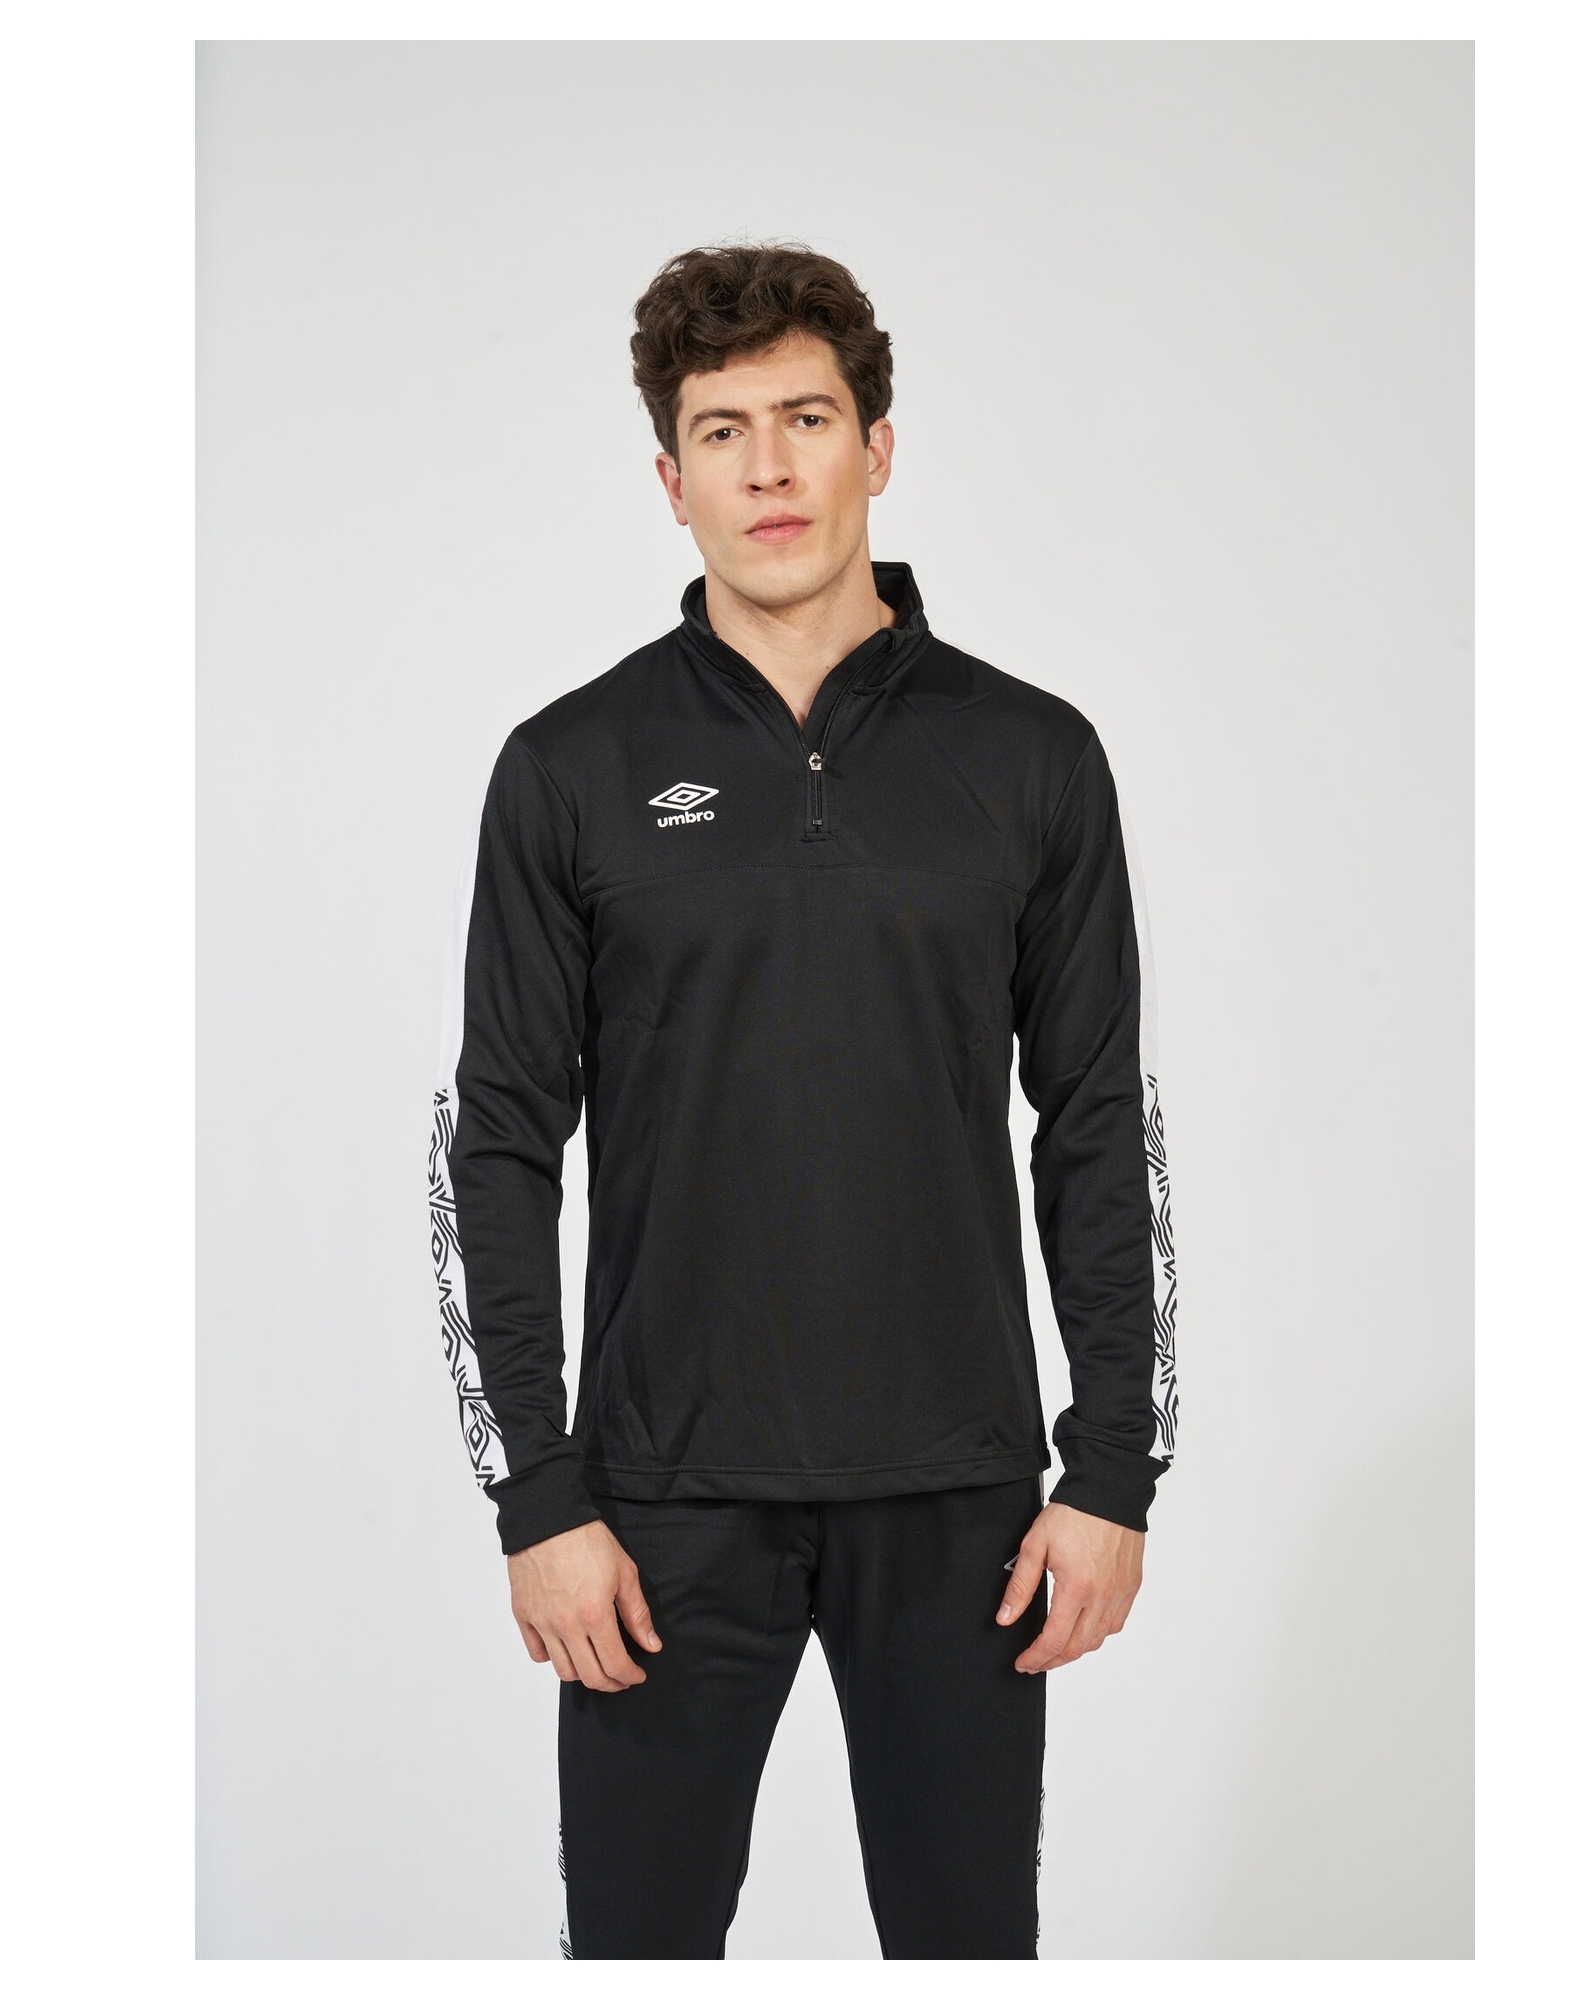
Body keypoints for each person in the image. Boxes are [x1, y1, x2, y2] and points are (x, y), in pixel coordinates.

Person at [427, 242, 1178, 1961]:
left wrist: (1113, 1470)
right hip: (657, 1508)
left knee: (966, 1949)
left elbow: (1096, 1123)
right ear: (670, 478)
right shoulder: (571, 766)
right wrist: (537, 1495)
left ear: (877, 446)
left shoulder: (1029, 756)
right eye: (722, 431)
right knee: (637, 1954)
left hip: (964, 1501)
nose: (767, 467)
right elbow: (494, 1144)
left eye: (806, 419)